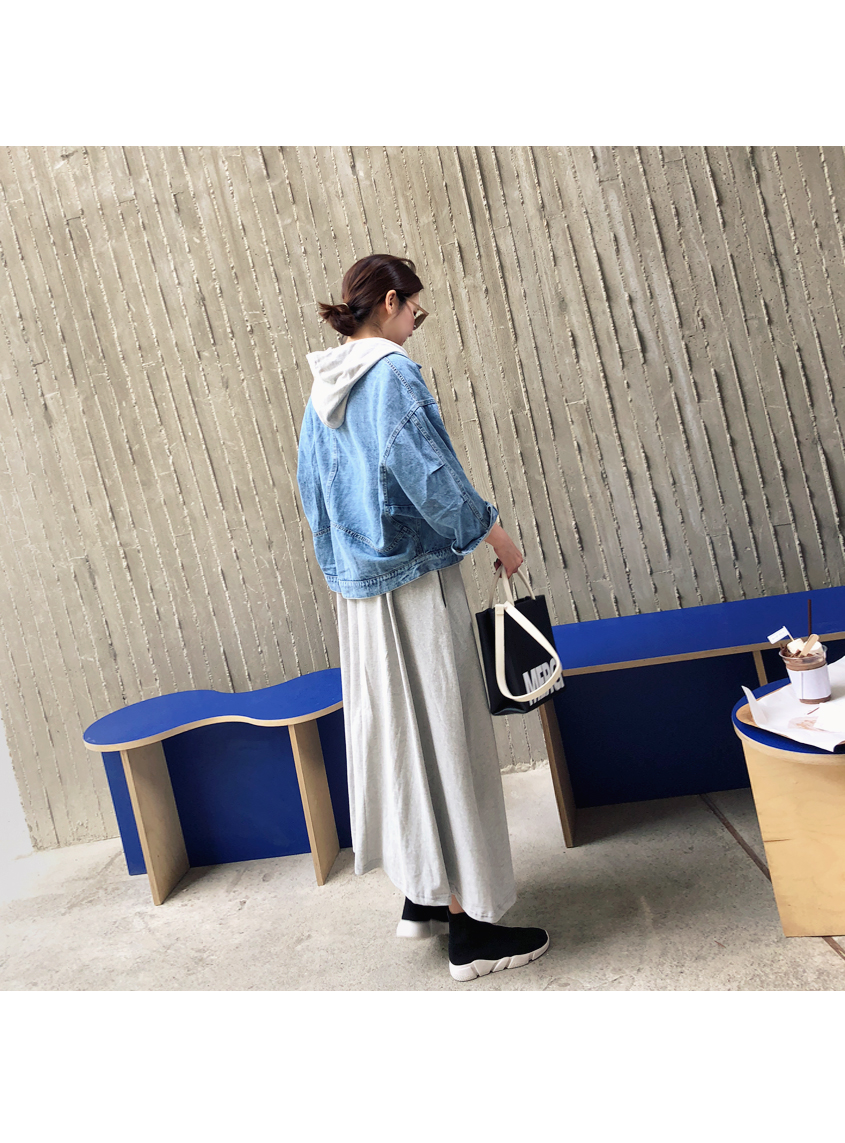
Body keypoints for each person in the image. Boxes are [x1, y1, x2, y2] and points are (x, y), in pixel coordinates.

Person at [296, 253, 549, 982]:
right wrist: (493, 532)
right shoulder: (391, 373)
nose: (415, 323)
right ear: (389, 301)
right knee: (449, 741)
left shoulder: (325, 387)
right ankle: (471, 933)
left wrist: (348, 567)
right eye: (414, 309)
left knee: (406, 746)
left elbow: (311, 493)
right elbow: (430, 477)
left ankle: (426, 895)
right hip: (413, 589)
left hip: (362, 601)